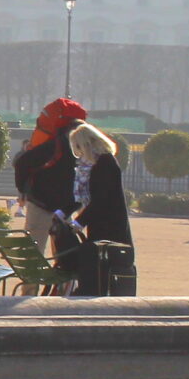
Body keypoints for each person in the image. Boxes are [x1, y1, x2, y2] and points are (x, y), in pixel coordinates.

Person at [54, 123, 136, 296]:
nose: (78, 153)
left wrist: (79, 222)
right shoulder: (93, 164)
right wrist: (62, 213)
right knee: (95, 261)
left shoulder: (105, 163)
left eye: (78, 147)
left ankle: (94, 291)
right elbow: (80, 197)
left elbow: (100, 199)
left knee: (102, 263)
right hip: (99, 224)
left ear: (86, 144)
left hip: (111, 226)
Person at [14, 97, 86, 244]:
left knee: (33, 252)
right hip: (64, 209)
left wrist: (23, 190)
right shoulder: (79, 147)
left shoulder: (53, 145)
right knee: (65, 253)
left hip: (41, 204)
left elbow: (22, 163)